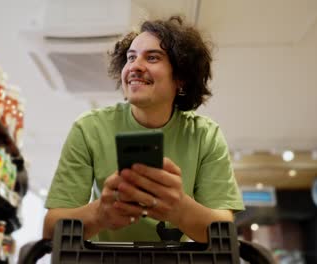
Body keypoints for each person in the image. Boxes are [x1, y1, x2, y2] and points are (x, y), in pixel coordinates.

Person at [43, 16, 244, 243]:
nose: (135, 66)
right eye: (131, 57)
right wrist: (100, 213)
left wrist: (179, 208)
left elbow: (223, 232)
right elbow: (51, 229)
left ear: (181, 77)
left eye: (152, 57)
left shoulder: (205, 136)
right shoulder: (89, 128)